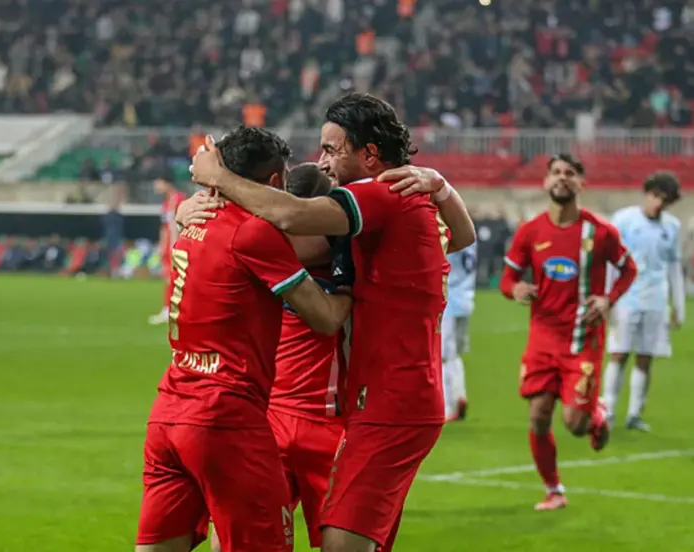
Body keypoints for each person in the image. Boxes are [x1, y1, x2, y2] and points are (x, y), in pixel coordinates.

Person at [189, 93, 475, 552]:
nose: (321, 161)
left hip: (389, 402)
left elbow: (290, 215)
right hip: (370, 399)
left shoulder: (380, 195)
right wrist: (440, 187)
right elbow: (462, 235)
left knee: (340, 545)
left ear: (370, 154)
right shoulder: (396, 210)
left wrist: (217, 180)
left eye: (330, 149)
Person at [136, 127, 354, 552]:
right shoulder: (255, 233)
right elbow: (326, 318)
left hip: (169, 411)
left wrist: (187, 205)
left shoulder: (194, 222)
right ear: (274, 182)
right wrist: (348, 285)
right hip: (227, 416)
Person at [499, 154, 637, 511]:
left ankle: (595, 414)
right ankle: (554, 490)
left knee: (574, 425)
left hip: (582, 340)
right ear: (546, 182)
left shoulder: (601, 232)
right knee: (538, 416)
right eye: (556, 173)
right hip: (542, 339)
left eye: (570, 173)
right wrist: (515, 289)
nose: (562, 178)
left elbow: (629, 270)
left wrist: (608, 300)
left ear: (581, 183)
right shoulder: (530, 232)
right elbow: (507, 279)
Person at [603, 172, 683, 432]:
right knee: (619, 353)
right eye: (656, 197)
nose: (659, 204)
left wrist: (678, 305)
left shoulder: (672, 226)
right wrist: (607, 297)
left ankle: (634, 414)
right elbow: (610, 261)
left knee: (646, 357)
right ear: (647, 193)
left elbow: (673, 267)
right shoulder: (624, 220)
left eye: (665, 200)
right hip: (626, 296)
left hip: (656, 300)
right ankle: (608, 410)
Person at [442, 240, 477, 421]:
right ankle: (460, 394)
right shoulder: (470, 236)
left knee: (443, 356)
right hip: (466, 299)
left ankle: (449, 406)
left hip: (449, 300)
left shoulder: (448, 234)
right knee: (454, 353)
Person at [148, 173, 186, 325]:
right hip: (168, 246)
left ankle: (173, 310)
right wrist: (161, 245)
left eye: (158, 182)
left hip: (177, 245)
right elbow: (164, 227)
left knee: (176, 278)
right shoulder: (166, 203)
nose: (155, 186)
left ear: (166, 182)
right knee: (169, 278)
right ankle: (169, 309)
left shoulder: (179, 199)